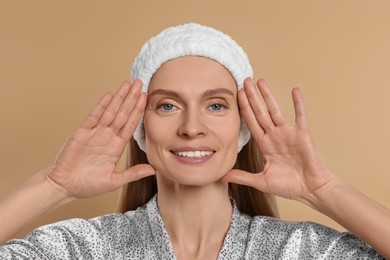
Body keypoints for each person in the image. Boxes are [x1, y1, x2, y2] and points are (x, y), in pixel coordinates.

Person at [0, 23, 388, 259]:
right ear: (140, 125)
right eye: (167, 105)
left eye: (216, 106)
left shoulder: (301, 251)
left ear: (243, 126)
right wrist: (53, 186)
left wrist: (324, 189)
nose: (191, 127)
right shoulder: (82, 249)